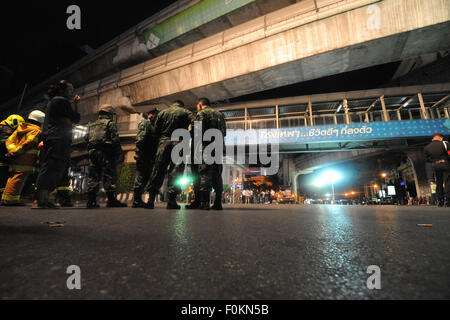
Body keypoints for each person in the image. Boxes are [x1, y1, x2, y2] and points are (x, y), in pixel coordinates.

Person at [34, 80, 81, 209]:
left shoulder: (54, 101)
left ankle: (43, 199)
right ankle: (42, 200)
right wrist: (76, 104)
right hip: (58, 139)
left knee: (52, 167)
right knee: (51, 168)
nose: (72, 92)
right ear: (63, 90)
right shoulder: (61, 101)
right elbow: (75, 118)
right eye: (70, 90)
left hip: (54, 138)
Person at [145, 101, 192, 210]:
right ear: (181, 106)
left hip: (163, 143)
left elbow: (155, 130)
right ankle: (171, 201)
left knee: (157, 170)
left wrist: (160, 139)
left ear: (173, 104)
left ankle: (151, 200)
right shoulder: (186, 112)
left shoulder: (162, 113)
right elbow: (196, 123)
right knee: (176, 171)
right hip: (179, 143)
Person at [85, 104, 127, 208]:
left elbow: (86, 138)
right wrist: (119, 153)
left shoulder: (92, 124)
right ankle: (111, 200)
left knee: (93, 176)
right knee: (109, 176)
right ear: (109, 114)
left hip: (93, 153)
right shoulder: (109, 123)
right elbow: (115, 139)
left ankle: (91, 201)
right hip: (106, 153)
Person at [1, 111, 45, 206]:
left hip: (15, 159)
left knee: (12, 178)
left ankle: (6, 199)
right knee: (18, 180)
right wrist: (17, 151)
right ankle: (10, 201)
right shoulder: (36, 130)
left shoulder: (20, 128)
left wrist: (12, 151)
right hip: (25, 160)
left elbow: (9, 141)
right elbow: (29, 143)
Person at [193, 98, 227, 210]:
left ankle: (205, 202)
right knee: (217, 173)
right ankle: (218, 203)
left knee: (205, 173)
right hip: (218, 147)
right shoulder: (220, 115)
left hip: (206, 147)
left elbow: (198, 132)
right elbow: (224, 133)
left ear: (200, 104)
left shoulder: (201, 113)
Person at [132, 109, 159, 208]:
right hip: (143, 154)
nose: (156, 116)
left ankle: (138, 200)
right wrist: (137, 152)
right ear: (149, 115)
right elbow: (140, 138)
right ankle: (136, 201)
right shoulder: (145, 124)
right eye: (154, 115)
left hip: (150, 155)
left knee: (146, 177)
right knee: (140, 176)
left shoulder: (154, 126)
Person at [0, 114, 25, 192]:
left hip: (3, 157)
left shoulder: (3, 126)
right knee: (2, 175)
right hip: (2, 158)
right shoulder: (6, 129)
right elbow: (5, 143)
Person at [424, 133, 450, 207]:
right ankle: (448, 200)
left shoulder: (427, 147)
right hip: (445, 164)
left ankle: (440, 200)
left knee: (439, 182)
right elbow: (449, 153)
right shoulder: (445, 143)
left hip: (435, 165)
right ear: (441, 138)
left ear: (433, 139)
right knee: (448, 181)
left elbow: (427, 159)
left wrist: (434, 161)